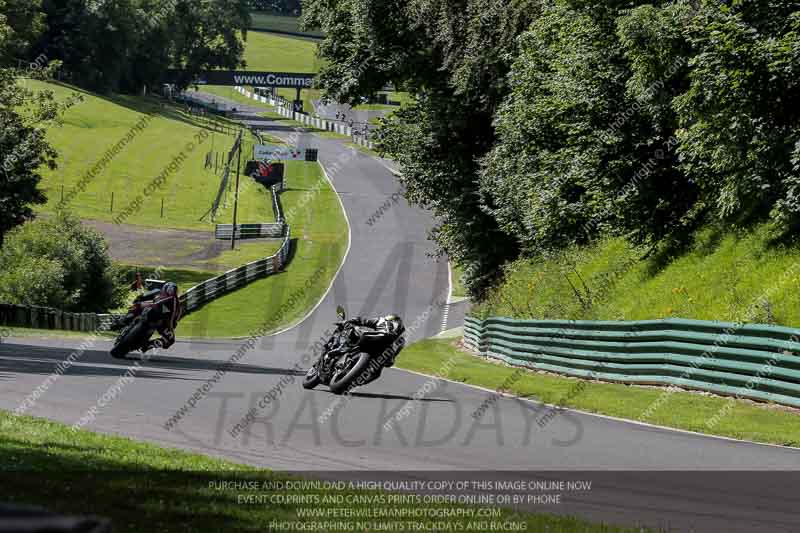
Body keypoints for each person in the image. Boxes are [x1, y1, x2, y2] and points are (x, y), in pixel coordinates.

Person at [120, 282, 181, 352]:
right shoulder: (158, 293)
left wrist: (171, 325)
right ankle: (124, 320)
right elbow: (145, 297)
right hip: (150, 313)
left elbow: (173, 317)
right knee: (137, 306)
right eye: (169, 290)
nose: (170, 292)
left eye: (172, 291)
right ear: (164, 289)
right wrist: (140, 300)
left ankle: (147, 345)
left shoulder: (174, 301)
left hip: (161, 322)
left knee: (170, 340)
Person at [346, 314, 406, 384]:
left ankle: (347, 353)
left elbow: (364, 321)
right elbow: (392, 359)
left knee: (355, 335)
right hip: (382, 352)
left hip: (373, 340)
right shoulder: (401, 339)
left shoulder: (382, 320)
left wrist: (351, 321)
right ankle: (356, 382)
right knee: (376, 373)